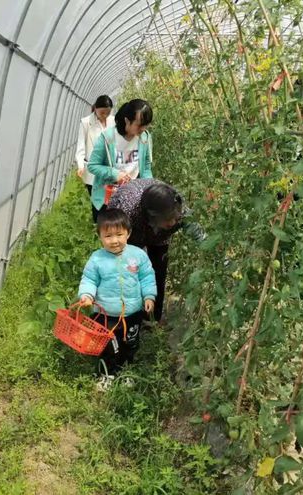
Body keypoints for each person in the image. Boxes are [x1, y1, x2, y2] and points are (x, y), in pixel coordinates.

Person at [78, 208, 157, 390]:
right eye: (108, 236)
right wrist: (87, 295)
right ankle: (106, 374)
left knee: (129, 343)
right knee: (106, 345)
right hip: (105, 314)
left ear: (128, 233)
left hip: (132, 312)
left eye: (119, 234)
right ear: (100, 237)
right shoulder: (97, 259)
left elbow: (147, 277)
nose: (114, 241)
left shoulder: (138, 256)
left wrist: (149, 296)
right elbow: (89, 279)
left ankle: (125, 372)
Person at [108, 179, 206, 324]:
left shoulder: (176, 206)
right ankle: (122, 314)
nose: (173, 223)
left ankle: (153, 318)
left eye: (175, 218)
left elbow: (200, 235)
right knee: (127, 271)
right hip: (131, 232)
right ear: (152, 217)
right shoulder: (127, 209)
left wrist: (221, 258)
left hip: (159, 237)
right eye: (168, 220)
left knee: (158, 271)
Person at [87, 99, 153, 222]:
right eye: (139, 125)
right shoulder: (108, 138)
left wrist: (147, 187)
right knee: (111, 235)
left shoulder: (144, 138)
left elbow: (146, 167)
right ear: (127, 121)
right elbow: (92, 165)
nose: (143, 129)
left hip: (132, 197)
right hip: (107, 198)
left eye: (146, 125)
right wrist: (115, 174)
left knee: (127, 234)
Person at [75, 95, 115, 198]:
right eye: (102, 112)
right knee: (97, 205)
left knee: (109, 203)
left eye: (108, 113)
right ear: (95, 108)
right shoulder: (86, 122)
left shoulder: (113, 121)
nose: (105, 115)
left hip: (110, 169)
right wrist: (80, 166)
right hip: (93, 171)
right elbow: (81, 146)